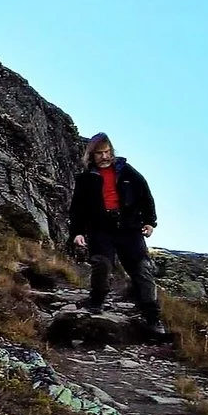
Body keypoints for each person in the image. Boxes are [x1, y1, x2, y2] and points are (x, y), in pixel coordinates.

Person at [68, 133, 168, 337]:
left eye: (107, 152)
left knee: (142, 270)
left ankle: (152, 318)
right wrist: (77, 232)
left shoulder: (128, 172)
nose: (105, 156)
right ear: (91, 155)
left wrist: (150, 222)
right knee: (102, 264)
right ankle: (96, 303)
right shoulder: (86, 179)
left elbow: (146, 196)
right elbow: (77, 209)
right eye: (99, 153)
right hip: (100, 229)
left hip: (129, 229)